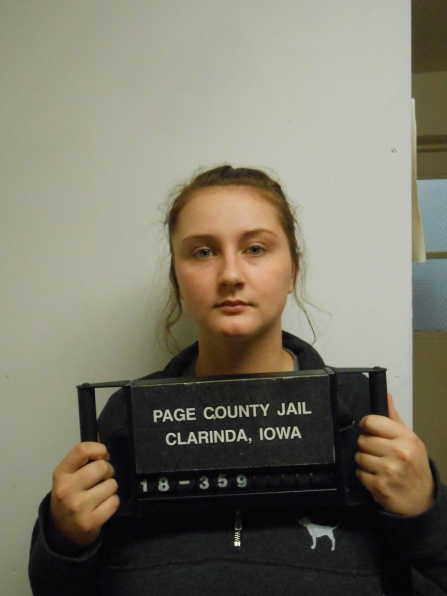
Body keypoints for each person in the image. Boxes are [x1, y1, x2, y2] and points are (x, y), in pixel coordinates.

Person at [29, 165, 447, 595]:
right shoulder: (128, 415)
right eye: (203, 252)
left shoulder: (359, 412)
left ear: (292, 272)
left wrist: (423, 511)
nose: (230, 274)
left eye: (255, 248)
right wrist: (64, 538)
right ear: (177, 281)